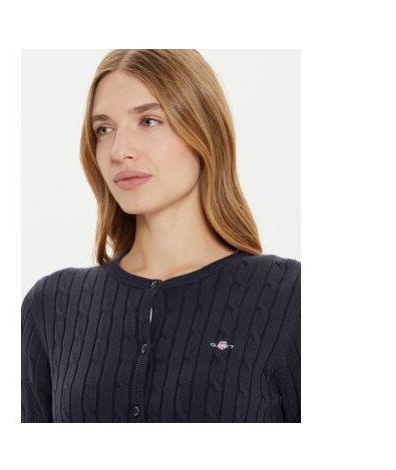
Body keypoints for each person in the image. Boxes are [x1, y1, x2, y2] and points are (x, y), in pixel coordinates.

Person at [21, 49, 301, 423]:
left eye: (149, 121)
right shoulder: (52, 306)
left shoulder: (289, 297)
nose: (119, 151)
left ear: (204, 130)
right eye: (104, 129)